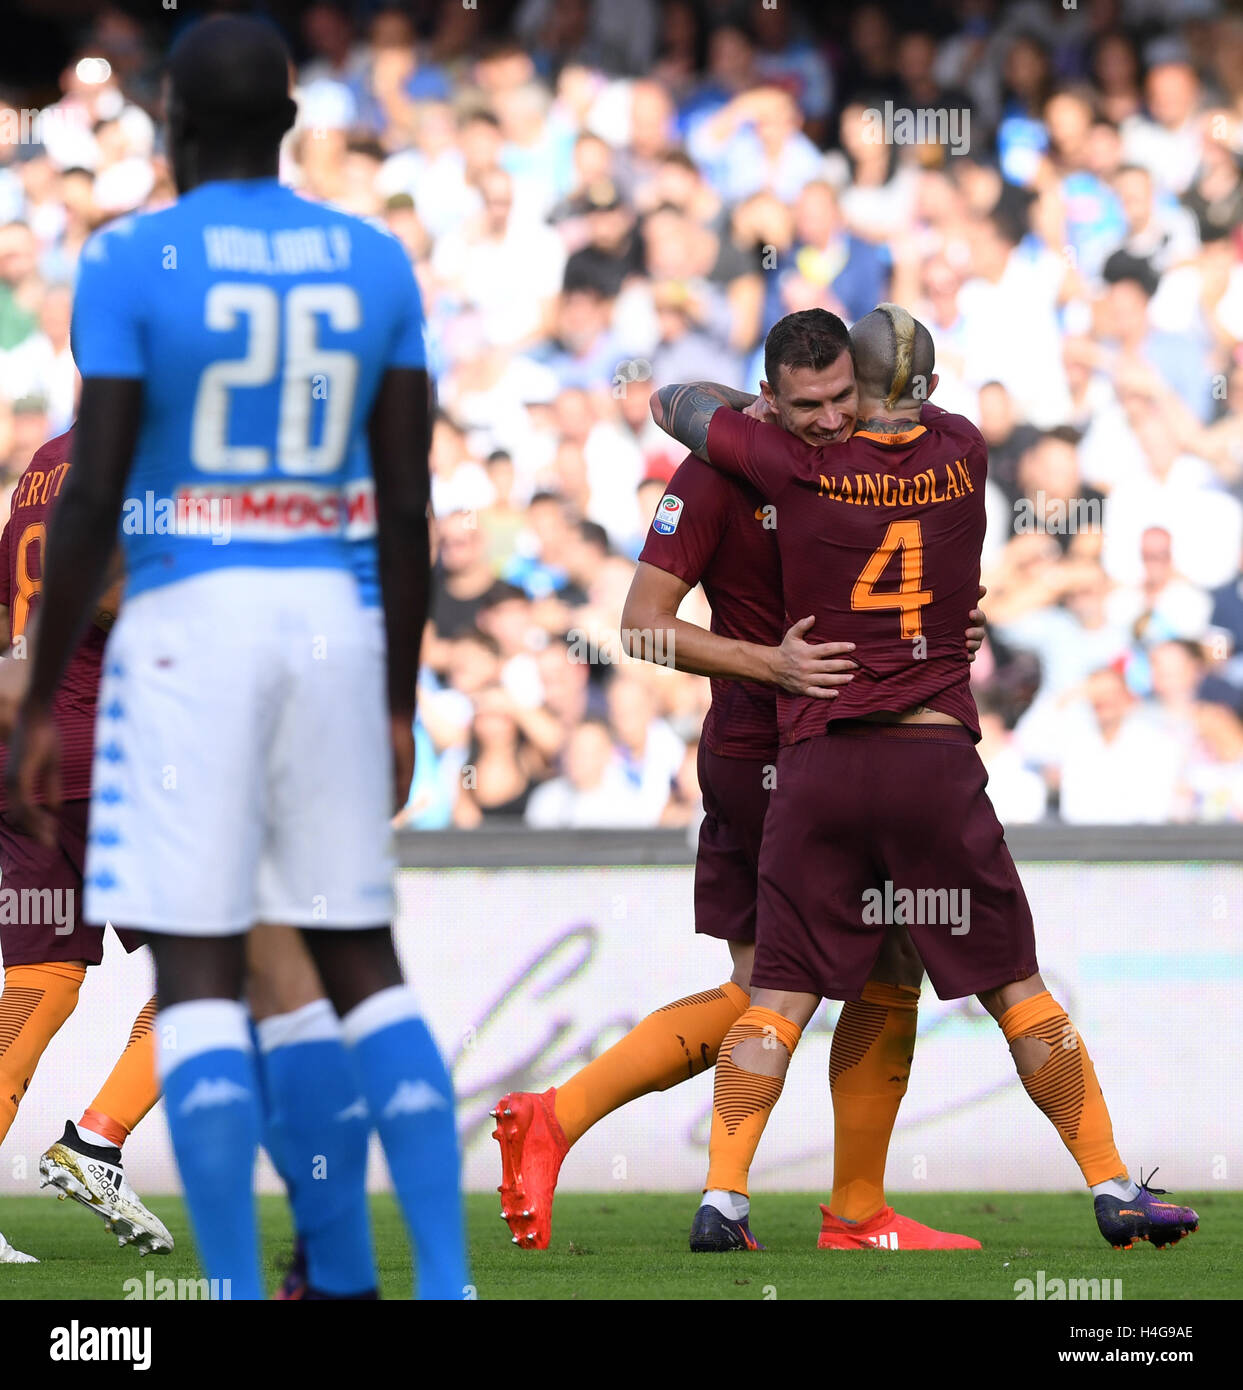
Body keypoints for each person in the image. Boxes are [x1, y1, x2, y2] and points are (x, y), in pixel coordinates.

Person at [6, 16, 467, 1300]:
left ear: (170, 125)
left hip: (183, 643)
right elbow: (408, 502)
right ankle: (435, 1280)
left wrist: (39, 695)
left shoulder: (129, 258)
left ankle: (224, 1281)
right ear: (289, 125)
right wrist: (391, 695)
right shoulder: (375, 260)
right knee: (354, 967)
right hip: (320, 628)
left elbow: (92, 491)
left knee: (203, 976)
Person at [651, 304, 1200, 1253]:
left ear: (854, 395)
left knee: (779, 991)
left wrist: (766, 412)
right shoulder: (968, 447)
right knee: (1014, 985)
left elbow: (673, 404)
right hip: (929, 758)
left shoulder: (795, 462)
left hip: (815, 763)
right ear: (932, 392)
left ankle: (724, 1199)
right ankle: (1111, 1187)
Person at [493, 309, 987, 1253]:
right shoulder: (721, 474)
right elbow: (640, 624)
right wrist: (773, 665)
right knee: (805, 980)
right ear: (767, 395)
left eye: (843, 396)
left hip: (849, 749)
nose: (830, 418)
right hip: (766, 755)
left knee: (833, 974)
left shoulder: (866, 463)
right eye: (807, 406)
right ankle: (840, 1206)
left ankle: (838, 1204)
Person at [0, 425, 169, 1264]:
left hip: (27, 744)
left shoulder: (39, 467)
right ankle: (96, 1144)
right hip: (105, 749)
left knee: (43, 978)